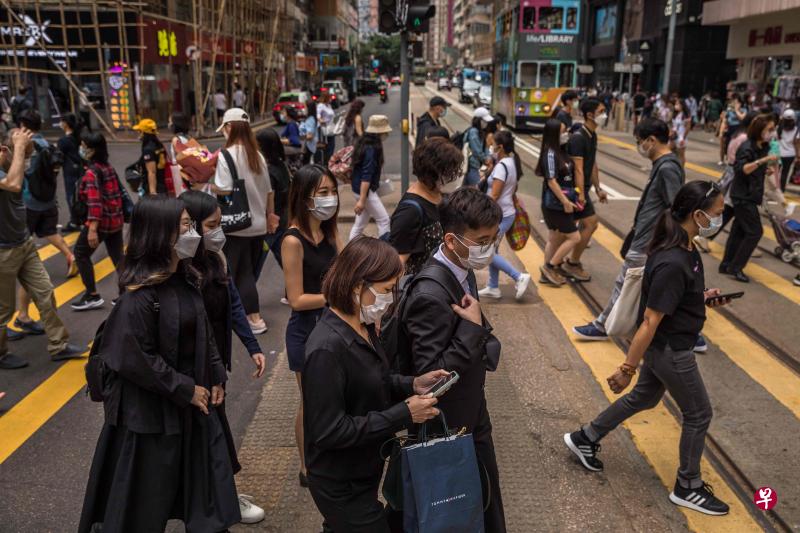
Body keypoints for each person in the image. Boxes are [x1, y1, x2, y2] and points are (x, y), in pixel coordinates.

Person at [564, 181, 732, 517]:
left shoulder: (684, 248)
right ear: (697, 215)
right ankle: (688, 486)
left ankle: (585, 437)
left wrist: (701, 300)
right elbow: (649, 321)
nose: (721, 218)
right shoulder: (673, 260)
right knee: (699, 414)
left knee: (644, 397)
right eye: (717, 213)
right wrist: (626, 368)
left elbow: (671, 302)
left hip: (665, 345)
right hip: (671, 349)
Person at [79, 196, 240, 532]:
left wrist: (215, 375)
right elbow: (134, 359)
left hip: (188, 406)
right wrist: (184, 389)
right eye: (185, 226)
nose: (193, 233)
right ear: (159, 233)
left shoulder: (185, 276)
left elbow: (204, 330)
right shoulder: (138, 296)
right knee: (141, 508)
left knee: (206, 498)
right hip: (150, 420)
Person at [303, 236, 445, 532]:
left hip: (363, 469)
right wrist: (404, 414)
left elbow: (374, 378)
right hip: (339, 481)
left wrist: (412, 384)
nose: (390, 298)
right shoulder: (326, 349)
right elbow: (329, 431)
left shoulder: (363, 325)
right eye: (384, 290)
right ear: (357, 286)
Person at [402, 187, 506, 532]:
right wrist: (473, 329)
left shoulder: (461, 269)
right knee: (451, 510)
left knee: (483, 499)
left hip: (471, 411)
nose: (489, 248)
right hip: (447, 424)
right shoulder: (430, 294)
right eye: (483, 240)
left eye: (494, 238)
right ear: (451, 240)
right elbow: (433, 377)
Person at [178, 190, 267, 524]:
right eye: (211, 225)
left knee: (216, 431)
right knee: (210, 435)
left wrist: (253, 346)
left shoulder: (216, 259)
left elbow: (233, 305)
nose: (218, 232)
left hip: (214, 366)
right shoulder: (179, 268)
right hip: (191, 369)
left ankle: (220, 494)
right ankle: (219, 498)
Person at [573, 118, 687, 344]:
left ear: (651, 141)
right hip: (649, 238)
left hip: (649, 241)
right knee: (649, 289)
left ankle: (602, 326)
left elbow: (676, 208)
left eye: (639, 141)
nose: (639, 146)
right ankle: (688, 335)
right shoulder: (664, 165)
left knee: (625, 283)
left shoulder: (667, 168)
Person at [0, 128, 84, 369]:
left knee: (45, 292)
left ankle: (59, 345)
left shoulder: (14, 162)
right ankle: (1, 353)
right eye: (22, 155)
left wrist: (23, 145)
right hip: (3, 251)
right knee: (3, 311)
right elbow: (14, 184)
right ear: (6, 151)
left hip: (23, 244)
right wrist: (18, 148)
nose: (26, 160)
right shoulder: (7, 170)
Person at [281, 164, 340, 488]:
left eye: (332, 191)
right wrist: (335, 295)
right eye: (323, 193)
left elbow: (345, 267)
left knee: (332, 397)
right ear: (305, 198)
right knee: (311, 401)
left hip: (332, 328)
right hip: (305, 332)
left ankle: (327, 455)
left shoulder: (329, 230)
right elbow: (296, 299)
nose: (331, 199)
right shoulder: (292, 240)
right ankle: (306, 468)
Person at [213, 108, 276, 333]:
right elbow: (269, 192)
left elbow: (224, 190)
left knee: (238, 272)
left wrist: (207, 186)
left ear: (230, 127)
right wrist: (269, 217)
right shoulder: (257, 155)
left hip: (236, 225)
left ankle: (253, 318)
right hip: (258, 225)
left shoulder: (226, 155)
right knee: (247, 271)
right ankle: (246, 314)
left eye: (224, 128)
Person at [389, 137, 462, 277]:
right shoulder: (410, 211)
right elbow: (398, 262)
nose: (452, 177)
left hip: (442, 280)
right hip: (423, 290)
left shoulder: (439, 195)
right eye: (448, 173)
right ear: (432, 173)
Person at [69, 132, 125, 311]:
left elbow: (95, 203)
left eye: (85, 147)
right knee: (118, 258)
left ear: (92, 151)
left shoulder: (92, 173)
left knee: (80, 253)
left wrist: (92, 229)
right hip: (115, 221)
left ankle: (92, 295)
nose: (82, 149)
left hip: (101, 223)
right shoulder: (108, 167)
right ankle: (127, 293)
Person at [17, 110, 76, 277]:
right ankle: (70, 256)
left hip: (30, 201)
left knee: (23, 236)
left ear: (23, 126)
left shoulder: (28, 146)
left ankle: (29, 271)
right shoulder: (47, 144)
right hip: (49, 199)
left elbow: (22, 172)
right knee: (50, 232)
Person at [721, 114, 778, 282]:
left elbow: (753, 169)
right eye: (769, 129)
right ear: (760, 130)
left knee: (738, 231)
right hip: (742, 196)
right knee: (755, 232)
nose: (772, 133)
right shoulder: (747, 146)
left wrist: (764, 169)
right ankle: (736, 267)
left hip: (750, 195)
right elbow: (743, 169)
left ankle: (726, 265)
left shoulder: (762, 146)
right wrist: (763, 161)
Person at [478, 130, 531, 300]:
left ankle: (518, 276)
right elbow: (513, 188)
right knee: (493, 250)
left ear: (500, 147)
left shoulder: (502, 167)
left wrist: (480, 212)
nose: (491, 147)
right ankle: (493, 287)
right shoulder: (511, 162)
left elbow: (494, 195)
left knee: (485, 251)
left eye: (493, 144)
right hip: (506, 212)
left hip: (499, 215)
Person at [694, 112, 757, 254]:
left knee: (731, 209)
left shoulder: (738, 134)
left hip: (731, 174)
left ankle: (743, 243)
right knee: (729, 209)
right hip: (737, 177)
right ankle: (706, 235)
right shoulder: (745, 138)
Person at [564, 98, 609, 282]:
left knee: (568, 230)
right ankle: (569, 263)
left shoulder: (592, 135)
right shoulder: (579, 138)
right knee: (589, 223)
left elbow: (592, 165)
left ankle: (562, 263)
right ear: (590, 115)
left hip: (581, 189)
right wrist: (581, 194)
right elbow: (579, 169)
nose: (605, 115)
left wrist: (598, 188)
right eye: (601, 111)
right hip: (573, 191)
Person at [537, 118, 581, 286]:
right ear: (554, 134)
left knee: (555, 238)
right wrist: (565, 202)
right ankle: (550, 266)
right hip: (554, 204)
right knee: (574, 237)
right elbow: (551, 181)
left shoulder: (561, 150)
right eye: (563, 131)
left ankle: (546, 275)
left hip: (561, 201)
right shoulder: (550, 153)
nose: (566, 134)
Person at [349, 115, 392, 241]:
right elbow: (366, 176)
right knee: (384, 220)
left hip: (358, 188)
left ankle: (350, 250)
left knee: (360, 224)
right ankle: (383, 250)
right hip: (365, 191)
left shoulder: (364, 142)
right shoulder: (372, 148)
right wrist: (362, 200)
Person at [256, 128, 291, 274]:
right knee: (286, 260)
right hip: (281, 220)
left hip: (270, 225)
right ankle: (298, 288)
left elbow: (267, 199)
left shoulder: (268, 171)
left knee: (255, 266)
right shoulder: (281, 165)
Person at [57, 112, 84, 232]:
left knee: (71, 196)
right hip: (81, 169)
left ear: (66, 124)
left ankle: (74, 222)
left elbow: (58, 158)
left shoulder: (63, 141)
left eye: (61, 121)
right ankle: (80, 219)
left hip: (70, 171)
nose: (60, 124)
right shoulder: (79, 137)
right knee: (81, 195)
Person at [133, 118, 168, 195]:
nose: (138, 134)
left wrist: (152, 192)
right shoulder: (159, 144)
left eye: (139, 131)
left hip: (154, 187)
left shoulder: (148, 149)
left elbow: (152, 172)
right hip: (162, 184)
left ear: (144, 133)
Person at [464, 107, 494, 187]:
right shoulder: (473, 132)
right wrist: (486, 159)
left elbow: (484, 148)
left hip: (475, 166)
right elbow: (477, 151)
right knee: (477, 188)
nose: (486, 123)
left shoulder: (480, 132)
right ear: (479, 120)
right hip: (471, 166)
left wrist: (487, 157)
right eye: (484, 121)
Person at [777, 109, 799, 192]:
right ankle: (781, 190)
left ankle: (774, 189)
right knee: (785, 173)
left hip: (778, 153)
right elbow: (796, 144)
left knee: (776, 173)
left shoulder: (778, 128)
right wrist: (798, 156)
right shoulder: (796, 130)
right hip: (790, 154)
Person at [670, 99, 692, 166]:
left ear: (682, 105)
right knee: (671, 152)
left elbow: (688, 127)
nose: (676, 106)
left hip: (681, 137)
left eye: (678, 104)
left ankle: (681, 170)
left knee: (681, 155)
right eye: (676, 104)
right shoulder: (676, 114)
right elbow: (673, 125)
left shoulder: (685, 115)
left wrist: (683, 138)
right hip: (674, 136)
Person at [317, 93, 336, 164]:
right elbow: (318, 115)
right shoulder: (320, 106)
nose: (331, 99)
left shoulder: (329, 106)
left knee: (332, 145)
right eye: (330, 98)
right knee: (325, 146)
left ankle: (329, 162)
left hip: (331, 127)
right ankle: (325, 162)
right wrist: (320, 120)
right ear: (326, 98)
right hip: (323, 128)